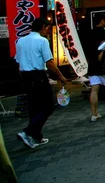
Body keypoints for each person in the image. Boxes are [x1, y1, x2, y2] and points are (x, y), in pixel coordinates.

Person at [16, 18, 67, 149]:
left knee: (34, 107)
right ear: (43, 26)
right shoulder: (42, 41)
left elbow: (18, 62)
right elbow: (49, 62)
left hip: (26, 77)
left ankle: (36, 136)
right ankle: (27, 131)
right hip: (39, 76)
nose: (48, 31)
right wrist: (61, 76)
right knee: (48, 106)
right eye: (48, 28)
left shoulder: (21, 41)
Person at [86, 16, 105, 122]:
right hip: (103, 65)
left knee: (94, 89)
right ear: (102, 21)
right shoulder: (104, 33)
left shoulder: (89, 33)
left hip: (92, 64)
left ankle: (94, 114)